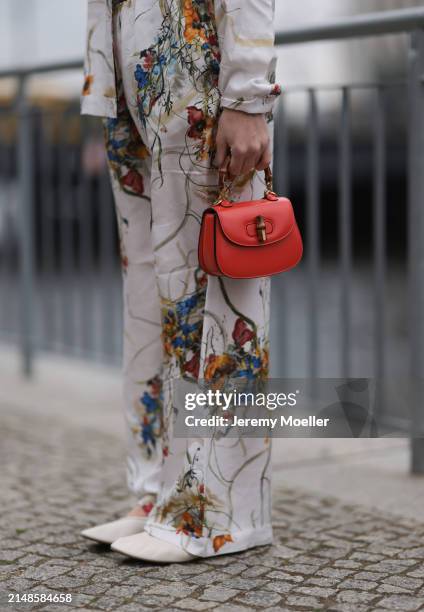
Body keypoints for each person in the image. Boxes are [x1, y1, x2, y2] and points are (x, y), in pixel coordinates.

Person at [80, 0, 281, 563]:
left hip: (197, 71)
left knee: (212, 298)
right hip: (128, 78)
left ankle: (221, 513)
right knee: (150, 300)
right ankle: (159, 492)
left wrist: (247, 95)